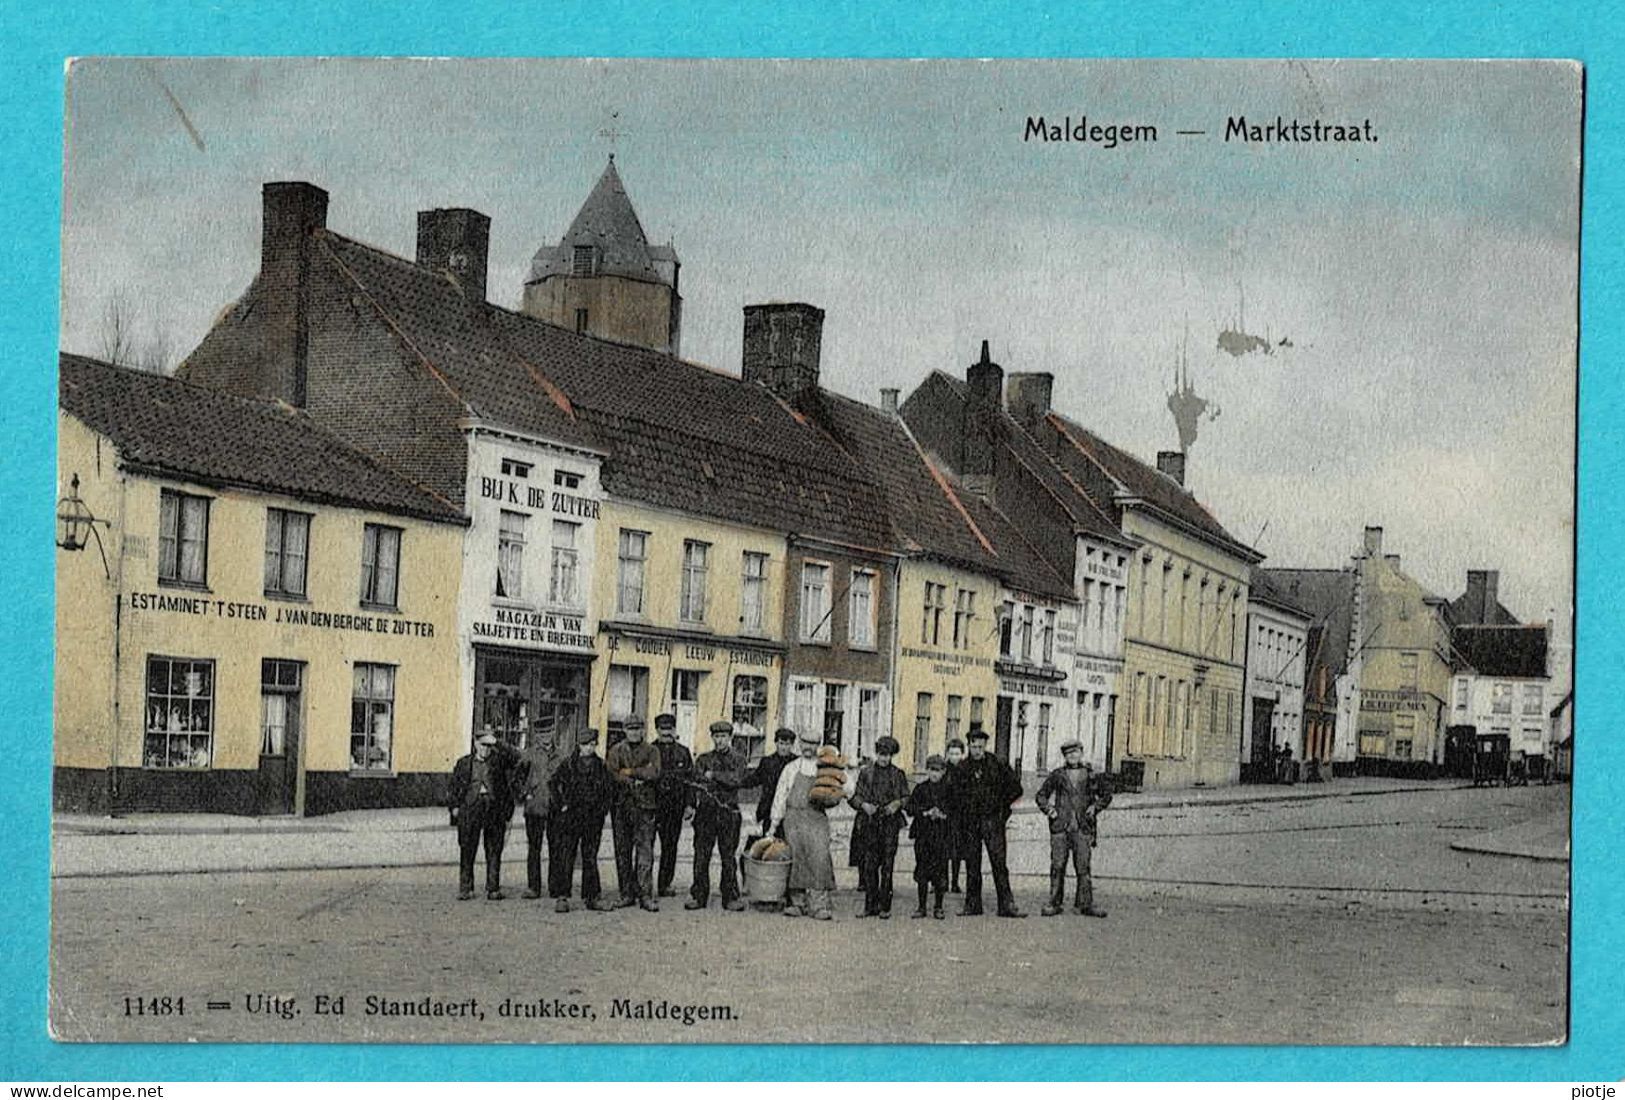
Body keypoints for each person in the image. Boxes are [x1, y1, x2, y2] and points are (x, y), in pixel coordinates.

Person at [767, 729, 856, 920]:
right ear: (800, 744)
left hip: (816, 818)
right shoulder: (791, 768)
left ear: (818, 746)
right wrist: (774, 824)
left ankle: (819, 904)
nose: (808, 747)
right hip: (793, 819)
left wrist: (841, 792)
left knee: (819, 857)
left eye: (813, 744)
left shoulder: (825, 767)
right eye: (805, 743)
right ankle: (797, 903)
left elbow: (848, 786)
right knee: (796, 858)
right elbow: (780, 796)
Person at [945, 725, 1025, 917]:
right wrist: (962, 814)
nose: (977, 750)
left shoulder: (998, 764)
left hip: (993, 821)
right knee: (972, 863)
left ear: (985, 745)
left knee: (999, 863)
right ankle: (973, 905)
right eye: (974, 747)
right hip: (970, 823)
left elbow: (1016, 788)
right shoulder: (961, 768)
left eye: (981, 747)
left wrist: (1001, 808)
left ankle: (1006, 905)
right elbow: (953, 795)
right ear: (969, 746)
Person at [1034, 740, 1112, 917]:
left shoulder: (1091, 775)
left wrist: (1095, 807)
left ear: (1081, 753)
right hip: (1060, 828)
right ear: (1064, 756)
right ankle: (1054, 902)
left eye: (1075, 753)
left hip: (1083, 827)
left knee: (1083, 867)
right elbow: (1041, 796)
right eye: (1069, 754)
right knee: (1058, 865)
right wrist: (1049, 810)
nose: (1072, 756)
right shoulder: (1057, 775)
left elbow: (1107, 795)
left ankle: (1086, 904)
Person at [446, 728, 519, 901]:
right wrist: (454, 807)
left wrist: (498, 743)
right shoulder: (464, 763)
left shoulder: (499, 762)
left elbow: (516, 761)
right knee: (467, 848)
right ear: (475, 744)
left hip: (494, 810)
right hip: (470, 809)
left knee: (494, 850)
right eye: (483, 745)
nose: (486, 749)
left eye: (489, 746)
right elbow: (453, 787)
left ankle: (493, 888)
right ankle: (465, 888)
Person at [549, 728, 616, 912]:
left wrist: (603, 810)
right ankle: (562, 896)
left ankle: (592, 896)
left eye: (593, 744)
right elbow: (553, 784)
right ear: (579, 745)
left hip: (593, 819)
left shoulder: (601, 766)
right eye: (586, 745)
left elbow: (608, 791)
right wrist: (561, 805)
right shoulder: (568, 765)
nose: (589, 748)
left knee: (590, 857)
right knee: (566, 855)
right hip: (571, 817)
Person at [686, 720, 749, 912]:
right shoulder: (703, 759)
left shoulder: (738, 759)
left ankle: (730, 897)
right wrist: (690, 805)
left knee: (728, 856)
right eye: (717, 736)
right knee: (701, 856)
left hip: (728, 812)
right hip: (706, 813)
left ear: (730, 738)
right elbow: (695, 782)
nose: (720, 740)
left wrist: (713, 776)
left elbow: (736, 780)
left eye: (724, 737)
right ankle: (698, 895)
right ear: (712, 738)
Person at [849, 735, 910, 918]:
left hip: (890, 824)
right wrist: (864, 805)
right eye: (881, 754)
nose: (884, 759)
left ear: (892, 756)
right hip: (870, 824)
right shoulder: (866, 773)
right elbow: (855, 797)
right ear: (876, 754)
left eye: (888, 755)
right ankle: (870, 906)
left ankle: (885, 907)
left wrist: (897, 804)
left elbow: (907, 797)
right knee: (869, 866)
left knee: (887, 866)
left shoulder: (898, 774)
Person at [605, 717, 662, 911]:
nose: (634, 733)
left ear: (643, 731)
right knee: (623, 851)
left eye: (638, 729)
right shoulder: (616, 750)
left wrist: (629, 771)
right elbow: (612, 773)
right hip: (621, 807)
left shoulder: (652, 750)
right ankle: (626, 894)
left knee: (645, 852)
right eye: (630, 729)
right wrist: (636, 777)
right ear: (624, 730)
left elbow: (654, 772)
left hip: (645, 807)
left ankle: (645, 895)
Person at [514, 728, 566, 900]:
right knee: (534, 848)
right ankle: (533, 887)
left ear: (553, 734)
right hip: (534, 808)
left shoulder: (561, 755)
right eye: (542, 734)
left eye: (549, 732)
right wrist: (524, 794)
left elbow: (568, 780)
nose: (546, 737)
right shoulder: (529, 754)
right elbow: (517, 777)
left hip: (555, 807)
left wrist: (564, 801)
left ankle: (555, 887)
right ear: (537, 736)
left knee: (556, 848)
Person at [905, 753, 954, 919]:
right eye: (932, 770)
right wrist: (925, 812)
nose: (935, 774)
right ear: (927, 770)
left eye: (938, 771)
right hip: (923, 836)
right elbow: (910, 808)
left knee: (940, 871)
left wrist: (943, 814)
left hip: (942, 836)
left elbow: (956, 811)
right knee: (922, 871)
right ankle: (921, 906)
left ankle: (939, 907)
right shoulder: (920, 788)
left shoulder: (949, 790)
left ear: (944, 772)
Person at [651, 713, 694, 898]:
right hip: (652, 806)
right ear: (657, 730)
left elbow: (690, 780)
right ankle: (642, 886)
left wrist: (690, 805)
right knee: (646, 847)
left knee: (670, 847)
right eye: (663, 729)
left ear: (674, 730)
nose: (666, 732)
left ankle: (664, 885)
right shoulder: (649, 750)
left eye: (669, 729)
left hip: (674, 807)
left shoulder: (683, 752)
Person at [744, 727, 799, 835]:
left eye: (787, 744)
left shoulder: (797, 763)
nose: (784, 747)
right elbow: (754, 779)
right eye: (781, 743)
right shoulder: (767, 762)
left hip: (790, 811)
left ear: (792, 745)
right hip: (768, 810)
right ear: (776, 743)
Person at [943, 737, 967, 892]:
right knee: (942, 850)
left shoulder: (966, 770)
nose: (954, 757)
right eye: (951, 753)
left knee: (957, 850)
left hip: (960, 817)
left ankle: (955, 882)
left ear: (962, 754)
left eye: (957, 754)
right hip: (945, 816)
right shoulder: (943, 770)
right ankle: (942, 881)